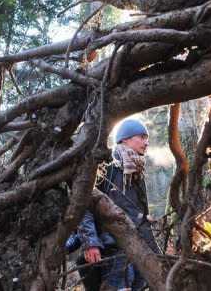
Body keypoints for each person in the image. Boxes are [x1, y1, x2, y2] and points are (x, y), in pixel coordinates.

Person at [67, 118, 160, 291]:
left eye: (147, 138)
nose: (146, 142)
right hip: (111, 249)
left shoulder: (137, 170)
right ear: (125, 139)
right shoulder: (108, 163)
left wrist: (157, 256)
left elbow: (141, 217)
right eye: (141, 137)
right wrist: (90, 242)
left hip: (136, 248)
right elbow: (84, 204)